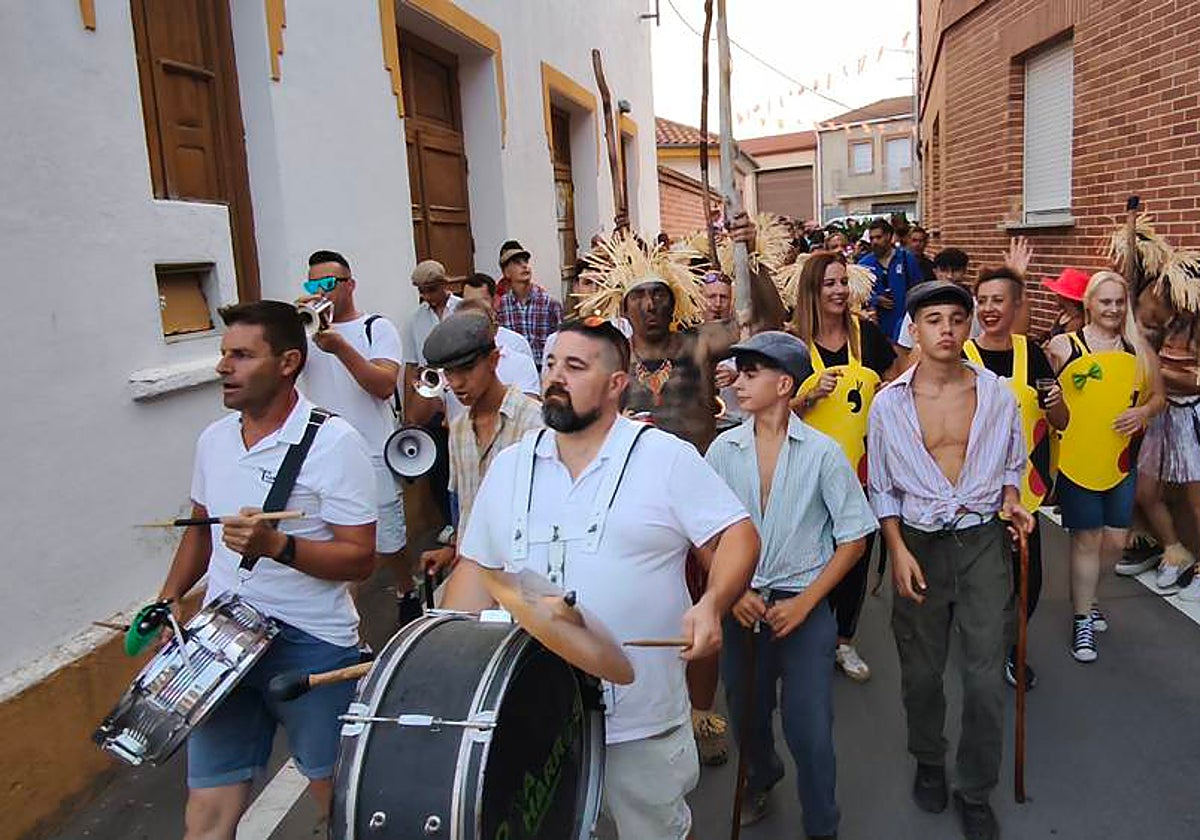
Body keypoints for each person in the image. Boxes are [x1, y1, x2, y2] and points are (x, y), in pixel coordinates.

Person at [441, 317, 760, 840]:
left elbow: (738, 536)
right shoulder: (510, 467)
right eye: (550, 364)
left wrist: (712, 604)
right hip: (532, 719)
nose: (554, 377)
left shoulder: (664, 457)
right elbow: (477, 571)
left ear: (616, 384)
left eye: (575, 366)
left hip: (640, 720)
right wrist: (442, 656)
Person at [157, 301, 376, 840]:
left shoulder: (335, 443)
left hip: (313, 643)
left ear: (288, 362)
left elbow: (359, 558)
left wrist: (278, 545)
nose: (222, 366)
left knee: (340, 801)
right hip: (220, 641)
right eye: (223, 353)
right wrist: (169, 598)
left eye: (241, 355)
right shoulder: (213, 440)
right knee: (206, 814)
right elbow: (200, 528)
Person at [578, 221, 785, 765]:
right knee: (640, 608)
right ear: (624, 304)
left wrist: (746, 254)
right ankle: (634, 708)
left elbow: (762, 322)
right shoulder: (611, 361)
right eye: (640, 296)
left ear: (675, 301)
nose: (650, 305)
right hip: (631, 504)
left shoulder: (698, 345)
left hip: (698, 504)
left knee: (705, 606)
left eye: (659, 294)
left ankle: (700, 713)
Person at [868, 281, 1034, 840]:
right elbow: (883, 486)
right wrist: (895, 550)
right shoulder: (889, 404)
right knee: (921, 671)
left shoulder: (998, 395)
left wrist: (1012, 501)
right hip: (917, 543)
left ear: (969, 326)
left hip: (982, 540)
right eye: (933, 319)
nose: (946, 329)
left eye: (957, 319)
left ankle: (976, 787)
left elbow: (1012, 463)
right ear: (913, 329)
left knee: (985, 676)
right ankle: (929, 759)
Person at [706, 332, 876, 836]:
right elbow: (703, 531)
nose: (738, 383)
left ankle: (822, 823)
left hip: (804, 607)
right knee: (746, 714)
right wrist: (732, 591)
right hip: (741, 608)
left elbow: (854, 539)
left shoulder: (823, 454)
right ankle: (761, 776)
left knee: (811, 729)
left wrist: (806, 604)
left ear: (784, 385)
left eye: (750, 374)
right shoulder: (723, 449)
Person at [789, 251, 900, 682]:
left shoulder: (865, 334)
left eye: (842, 282)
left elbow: (896, 381)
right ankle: (811, 634)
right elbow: (772, 410)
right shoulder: (794, 344)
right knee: (813, 555)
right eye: (828, 284)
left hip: (862, 471)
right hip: (807, 473)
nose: (838, 291)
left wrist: (888, 391)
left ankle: (843, 640)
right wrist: (806, 398)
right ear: (812, 290)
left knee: (855, 556)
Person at [1047, 271, 1165, 661]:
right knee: (1087, 539)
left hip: (1120, 460)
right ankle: (1082, 618)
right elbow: (1043, 397)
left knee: (1115, 542)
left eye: (1119, 301)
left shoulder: (1138, 349)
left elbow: (1158, 398)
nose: (1112, 309)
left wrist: (1142, 412)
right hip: (1078, 459)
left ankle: (1089, 596)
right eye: (1105, 301)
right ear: (1089, 304)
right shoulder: (1063, 346)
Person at [969, 266, 1070, 688]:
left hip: (1024, 493)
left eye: (998, 300)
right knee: (980, 584)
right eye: (983, 300)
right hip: (974, 494)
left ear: (1016, 305)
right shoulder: (963, 357)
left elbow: (1061, 420)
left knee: (1028, 582)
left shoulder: (1033, 353)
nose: (989, 308)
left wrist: (1057, 401)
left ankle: (1014, 648)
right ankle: (983, 647)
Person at [298, 250, 411, 620]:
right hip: (323, 456)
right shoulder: (305, 332)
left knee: (390, 541)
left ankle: (406, 588)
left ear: (350, 285)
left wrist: (341, 348)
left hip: (371, 452)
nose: (320, 292)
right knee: (340, 546)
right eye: (312, 285)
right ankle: (351, 630)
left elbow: (383, 385)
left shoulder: (376, 328)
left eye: (328, 283)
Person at [417, 312, 543, 576]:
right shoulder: (458, 428)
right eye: (449, 372)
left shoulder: (535, 422)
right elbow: (467, 506)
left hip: (524, 573)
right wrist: (453, 548)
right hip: (472, 572)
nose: (456, 383)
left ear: (494, 360)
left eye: (466, 369)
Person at [401, 260, 461, 525]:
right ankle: (449, 522)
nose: (427, 296)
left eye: (432, 289)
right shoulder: (415, 320)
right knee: (439, 466)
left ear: (445, 284)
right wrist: (408, 413)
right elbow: (411, 367)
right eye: (422, 291)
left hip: (461, 397)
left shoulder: (462, 309)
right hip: (431, 401)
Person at [495, 239, 564, 368]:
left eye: (525, 261)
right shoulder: (501, 307)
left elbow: (561, 342)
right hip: (515, 370)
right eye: (517, 263)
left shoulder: (549, 304)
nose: (524, 266)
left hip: (543, 369)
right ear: (506, 272)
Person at [858, 218, 923, 342]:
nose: (874, 242)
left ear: (889, 236)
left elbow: (919, 290)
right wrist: (875, 299)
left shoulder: (906, 259)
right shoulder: (864, 264)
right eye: (871, 238)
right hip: (876, 330)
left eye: (878, 237)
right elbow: (857, 297)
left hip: (904, 328)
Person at [1040, 267, 1089, 339]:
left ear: (1065, 297)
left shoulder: (1077, 322)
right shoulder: (1064, 314)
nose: (1056, 295)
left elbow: (1064, 342)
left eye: (1058, 293)